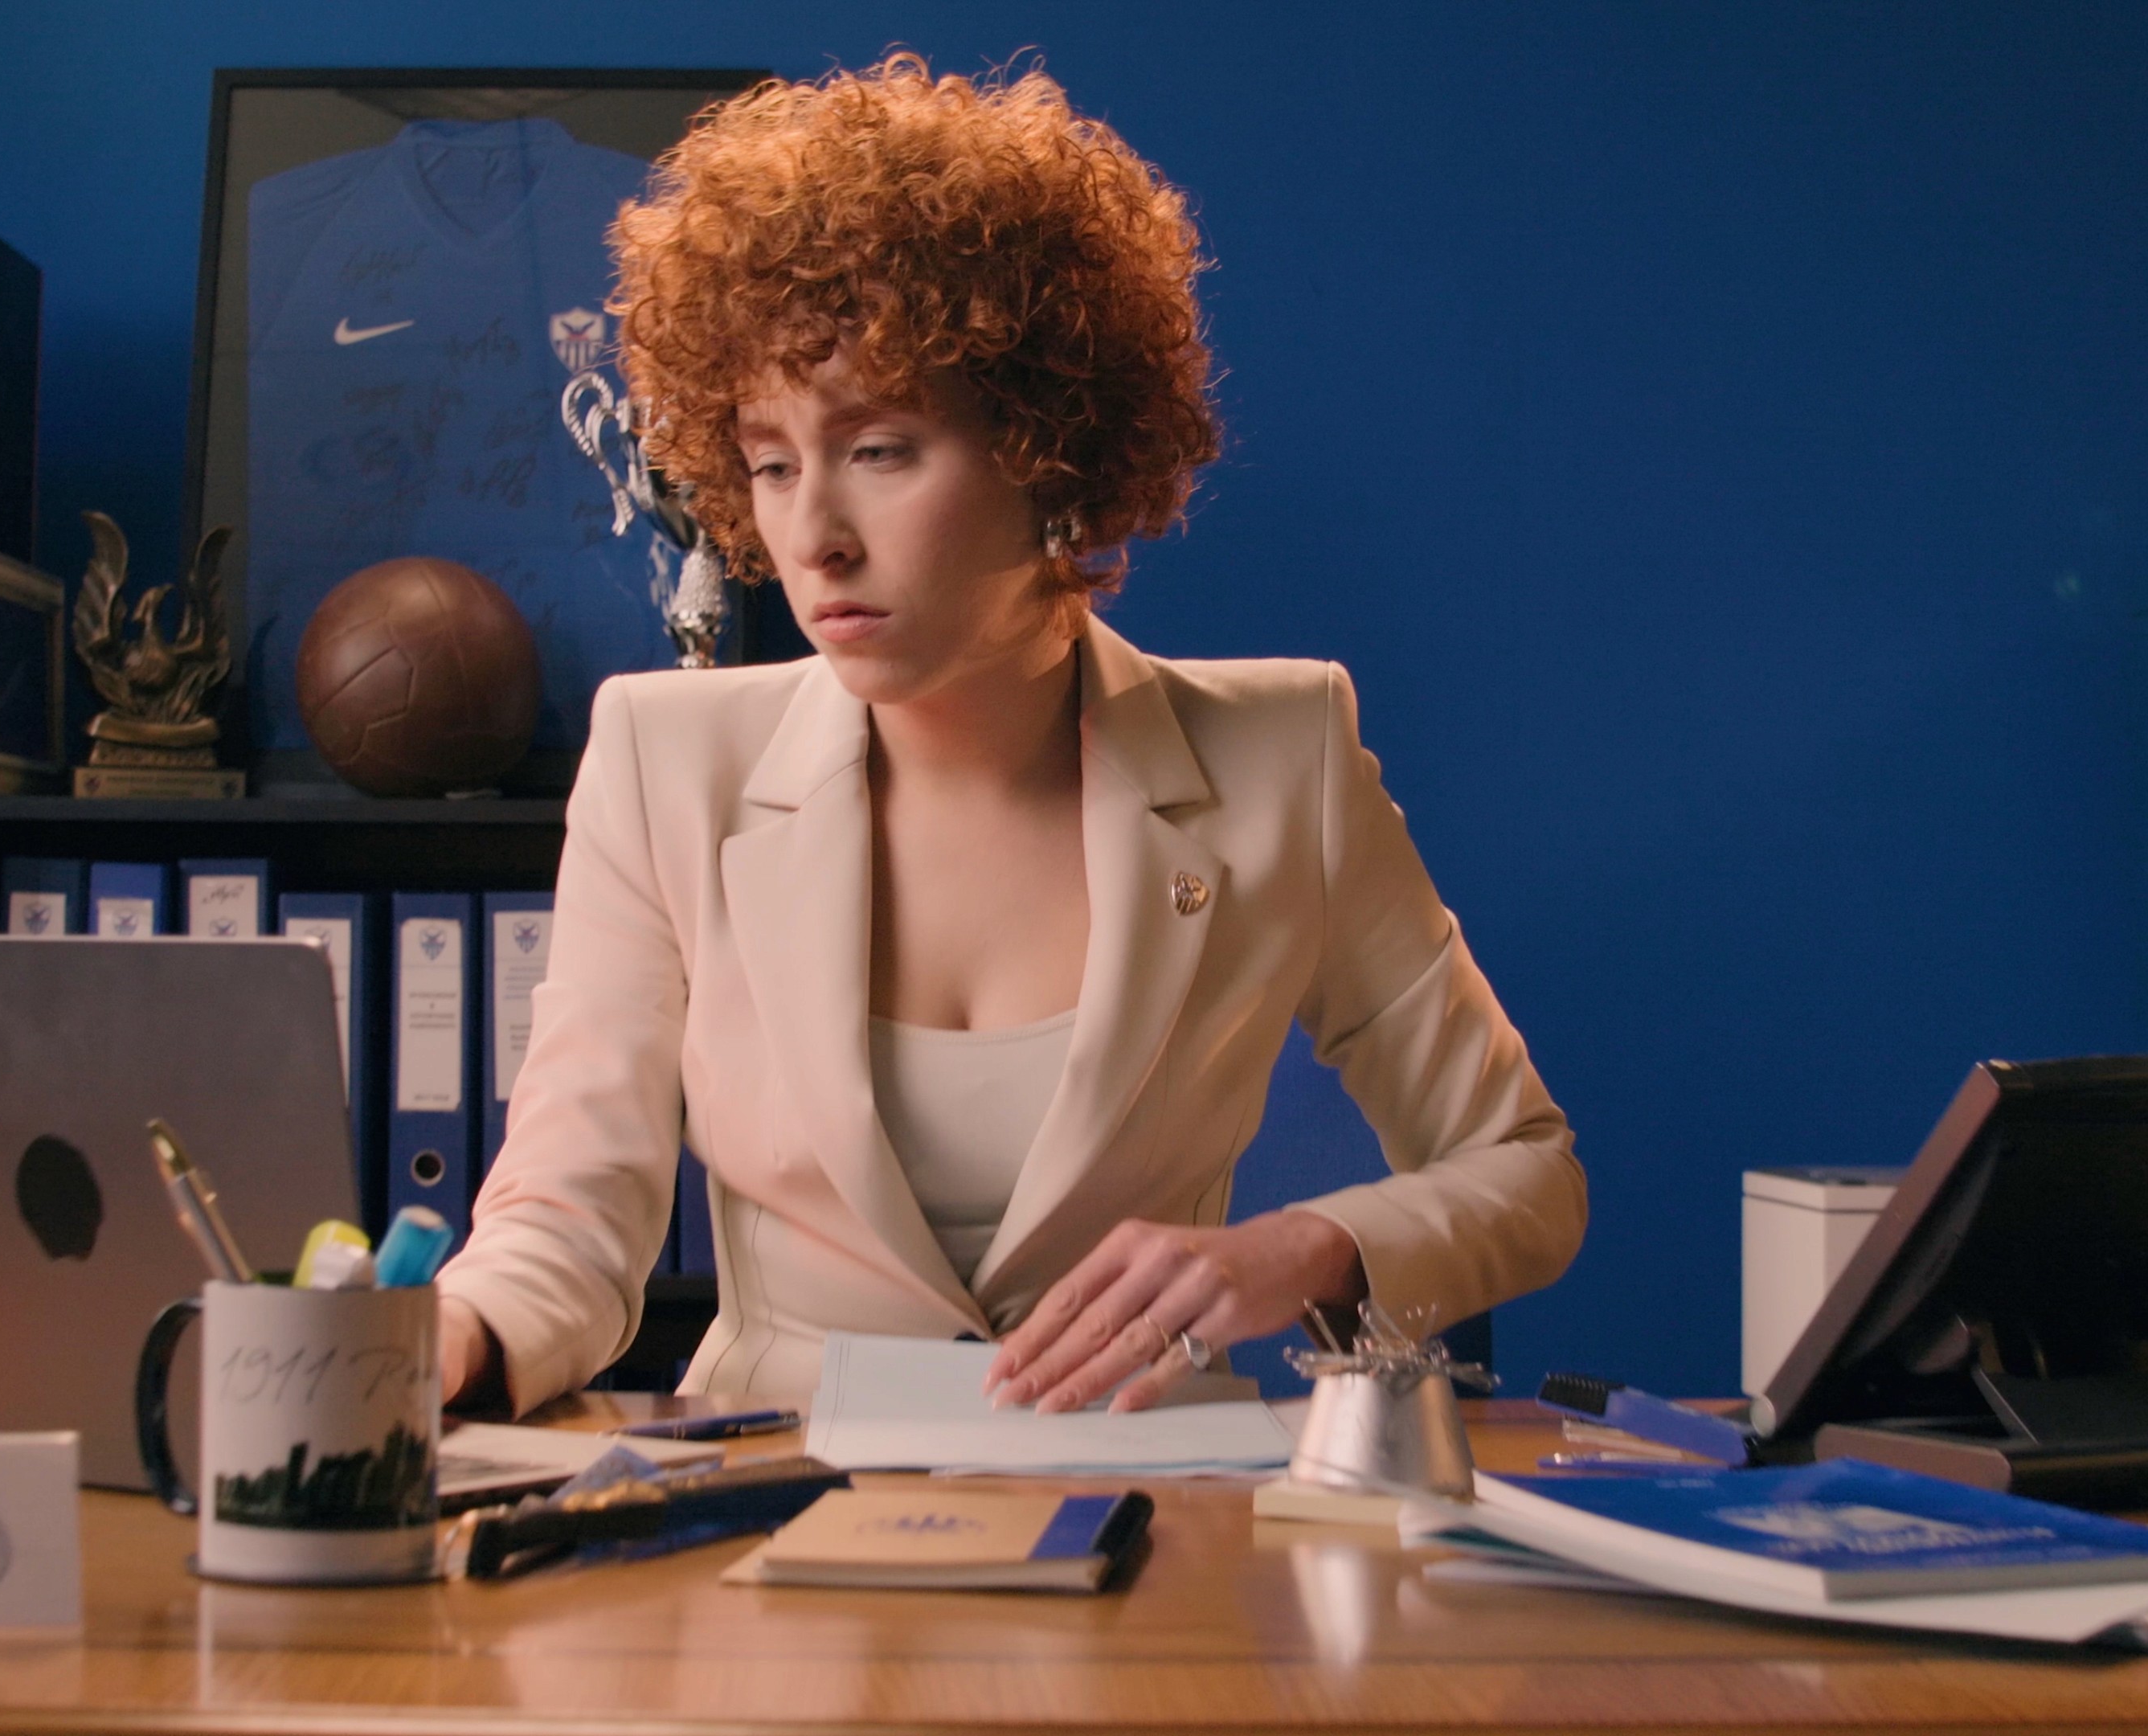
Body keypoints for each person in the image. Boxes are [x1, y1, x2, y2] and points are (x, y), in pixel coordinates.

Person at [433, 55, 1585, 1416]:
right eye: (770, 461)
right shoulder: (662, 763)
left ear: (1051, 450)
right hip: (771, 1508)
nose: (812, 536)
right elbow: (563, 1227)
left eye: (881, 449)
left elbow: (1523, 1170)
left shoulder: (1288, 758)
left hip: (1150, 1515)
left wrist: (1307, 1252)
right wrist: (435, 1343)